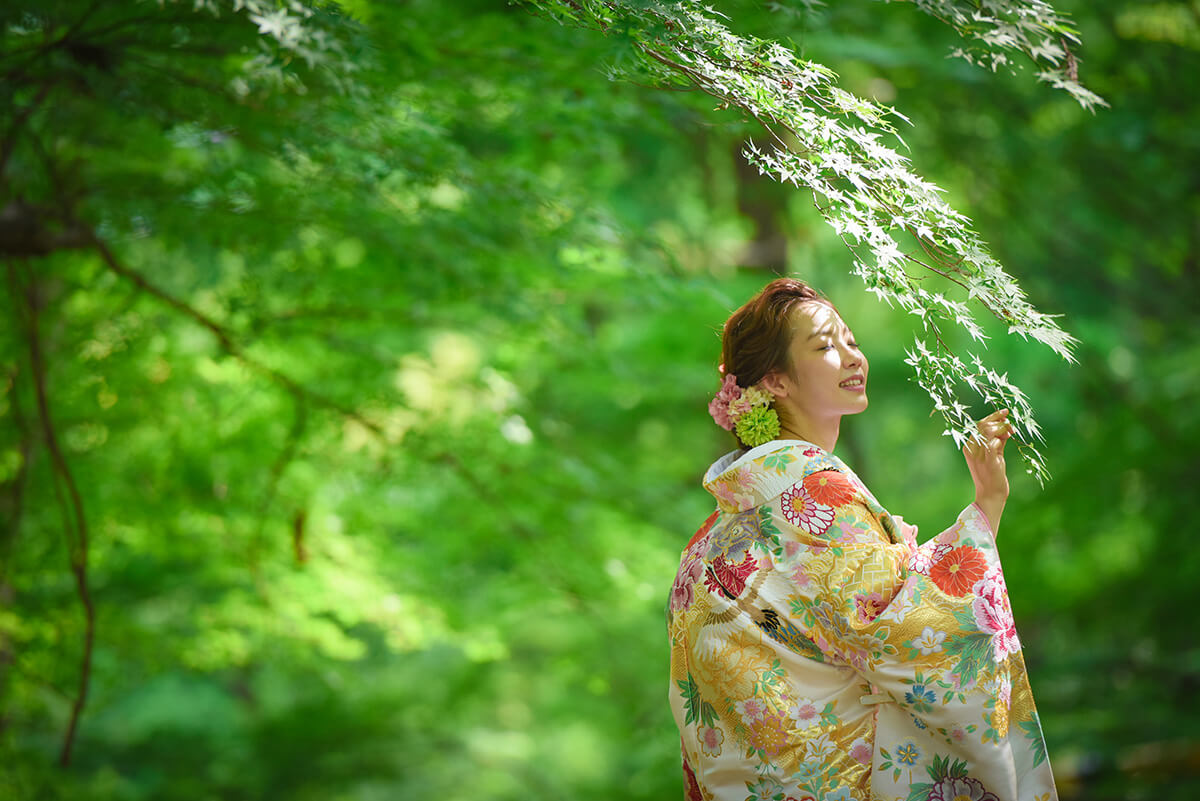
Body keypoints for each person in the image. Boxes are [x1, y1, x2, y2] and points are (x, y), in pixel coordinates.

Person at [667, 277, 1056, 801]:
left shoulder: (710, 538)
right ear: (776, 381)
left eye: (851, 340)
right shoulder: (816, 499)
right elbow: (912, 637)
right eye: (826, 346)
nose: (852, 356)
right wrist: (987, 506)